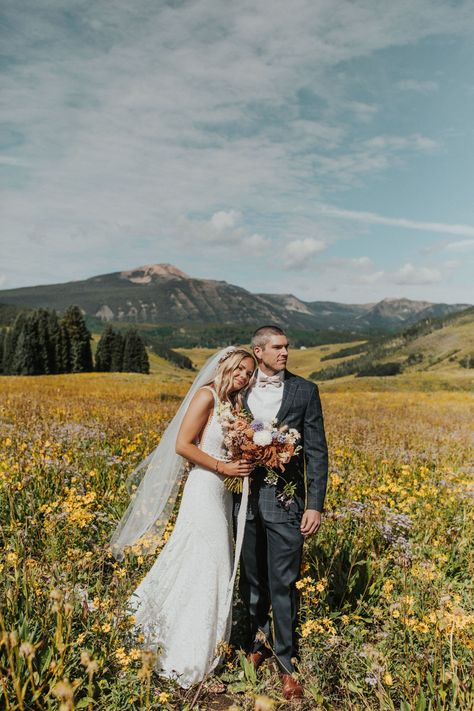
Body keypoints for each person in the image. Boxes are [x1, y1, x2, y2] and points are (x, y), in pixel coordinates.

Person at [109, 347, 256, 689]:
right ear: (227, 365)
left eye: (249, 374)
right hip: (204, 488)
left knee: (202, 563)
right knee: (211, 564)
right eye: (241, 370)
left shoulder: (235, 405)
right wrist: (224, 466)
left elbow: (228, 446)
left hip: (222, 493)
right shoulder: (206, 396)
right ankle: (191, 661)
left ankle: (168, 632)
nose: (244, 377)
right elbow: (182, 444)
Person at [234, 325, 328, 701]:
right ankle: (258, 643)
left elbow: (317, 452)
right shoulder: (237, 388)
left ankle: (287, 664)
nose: (285, 352)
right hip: (243, 499)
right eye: (277, 347)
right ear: (258, 352)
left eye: (287, 347)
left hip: (288, 502)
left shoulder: (306, 391)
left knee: (283, 582)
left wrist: (315, 504)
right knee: (252, 580)